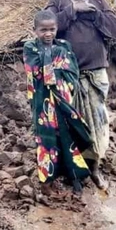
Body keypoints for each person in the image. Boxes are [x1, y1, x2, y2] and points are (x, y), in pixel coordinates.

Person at [45, 0, 116, 190]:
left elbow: (115, 30)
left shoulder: (98, 2)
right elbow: (45, 26)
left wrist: (94, 14)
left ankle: (95, 168)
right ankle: (71, 169)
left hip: (96, 71)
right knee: (69, 122)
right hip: (67, 73)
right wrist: (72, 12)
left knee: (97, 122)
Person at [23, 10, 94, 196]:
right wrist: (55, 60)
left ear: (57, 29)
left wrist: (54, 62)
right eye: (43, 30)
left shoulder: (65, 45)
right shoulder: (30, 47)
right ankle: (46, 181)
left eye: (52, 29)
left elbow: (72, 71)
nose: (48, 34)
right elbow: (35, 72)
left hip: (63, 99)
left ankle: (73, 175)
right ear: (35, 30)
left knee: (69, 134)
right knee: (46, 139)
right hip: (42, 102)